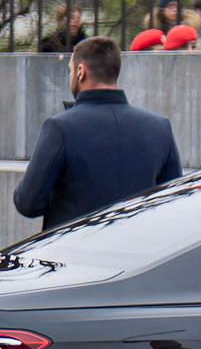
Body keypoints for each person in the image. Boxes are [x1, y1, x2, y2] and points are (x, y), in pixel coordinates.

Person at [13, 37, 181, 230]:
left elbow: (28, 203)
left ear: (80, 71)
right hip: (141, 254)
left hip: (74, 253)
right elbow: (172, 202)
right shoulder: (160, 127)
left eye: (70, 70)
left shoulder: (60, 128)